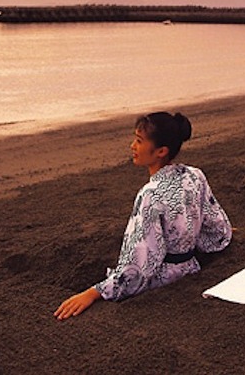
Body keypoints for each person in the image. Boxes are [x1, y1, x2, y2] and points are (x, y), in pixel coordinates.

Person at [54, 112, 232, 320]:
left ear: (161, 151)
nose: (132, 146)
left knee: (118, 277)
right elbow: (217, 228)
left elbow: (138, 267)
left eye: (139, 141)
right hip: (192, 265)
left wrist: (93, 293)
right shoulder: (194, 175)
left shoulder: (150, 195)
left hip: (168, 277)